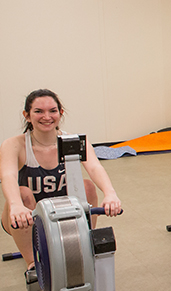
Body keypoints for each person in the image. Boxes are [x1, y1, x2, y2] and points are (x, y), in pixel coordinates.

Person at [1, 89, 122, 273]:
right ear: (27, 115)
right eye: (38, 111)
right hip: (28, 217)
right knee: (22, 192)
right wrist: (16, 205)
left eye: (52, 111)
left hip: (64, 215)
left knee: (87, 186)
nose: (46, 117)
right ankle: (33, 264)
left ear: (61, 113)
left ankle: (86, 246)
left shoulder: (73, 141)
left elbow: (95, 167)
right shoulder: (15, 144)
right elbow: (7, 175)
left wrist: (110, 194)